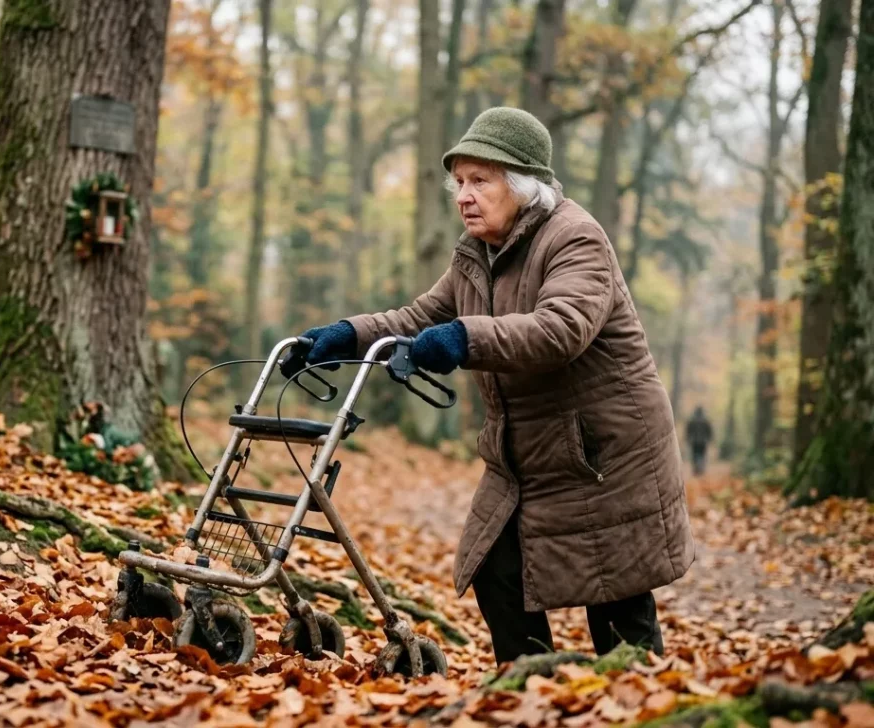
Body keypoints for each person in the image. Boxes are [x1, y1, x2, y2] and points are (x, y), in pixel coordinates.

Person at [284, 107, 695, 664]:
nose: (463, 196)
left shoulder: (576, 238)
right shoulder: (476, 252)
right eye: (459, 182)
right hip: (528, 450)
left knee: (616, 599)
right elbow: (421, 315)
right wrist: (344, 336)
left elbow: (561, 329)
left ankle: (647, 709)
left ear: (523, 185)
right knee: (495, 571)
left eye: (481, 180)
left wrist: (462, 339)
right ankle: (528, 689)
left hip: (604, 451)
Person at [685, 406, 714, 476]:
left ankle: (697, 468)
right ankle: (700, 468)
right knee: (702, 455)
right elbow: (709, 431)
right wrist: (709, 439)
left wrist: (688, 439)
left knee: (695, 455)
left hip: (694, 441)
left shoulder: (692, 420)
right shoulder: (706, 420)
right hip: (703, 442)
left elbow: (688, 431)